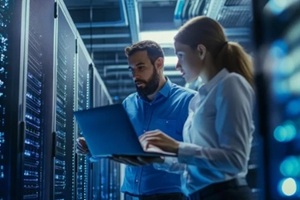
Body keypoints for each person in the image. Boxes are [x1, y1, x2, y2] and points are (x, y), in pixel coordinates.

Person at [139, 16, 255, 200]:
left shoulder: (230, 84)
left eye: (180, 55)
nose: (177, 65)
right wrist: (158, 159)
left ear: (200, 51)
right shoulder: (199, 99)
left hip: (226, 195)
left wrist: (177, 147)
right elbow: (199, 164)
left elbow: (236, 160)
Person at [77, 40, 195, 200]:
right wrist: (93, 146)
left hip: (171, 195)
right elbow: (118, 145)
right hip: (130, 194)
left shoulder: (188, 101)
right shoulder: (129, 103)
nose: (135, 76)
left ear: (159, 63)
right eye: (131, 70)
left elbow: (197, 156)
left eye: (141, 67)